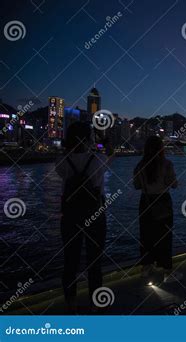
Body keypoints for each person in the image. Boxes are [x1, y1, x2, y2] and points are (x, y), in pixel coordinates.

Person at [55, 122, 114, 313]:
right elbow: (111, 153)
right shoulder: (98, 159)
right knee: (94, 262)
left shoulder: (61, 161)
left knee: (70, 261)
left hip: (70, 216)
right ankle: (95, 304)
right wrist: (101, 139)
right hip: (95, 215)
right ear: (87, 138)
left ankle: (71, 304)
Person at [133, 136, 179, 284]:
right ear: (161, 148)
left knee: (146, 234)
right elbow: (173, 184)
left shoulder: (140, 165)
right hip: (162, 201)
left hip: (145, 202)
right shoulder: (167, 164)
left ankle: (146, 268)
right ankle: (166, 271)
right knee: (165, 235)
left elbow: (137, 186)